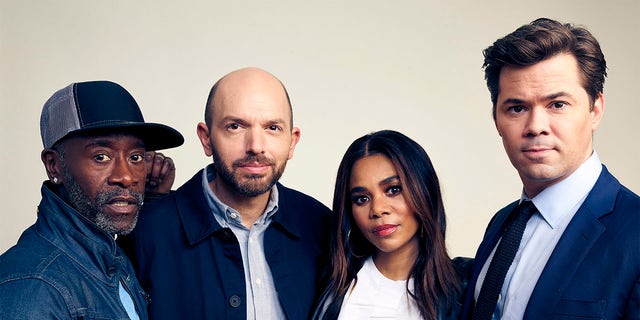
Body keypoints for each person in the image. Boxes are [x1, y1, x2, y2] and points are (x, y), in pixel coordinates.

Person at [461, 18, 640, 320]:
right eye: (517, 108)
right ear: (496, 120)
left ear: (595, 109)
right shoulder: (502, 224)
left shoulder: (634, 231)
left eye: (557, 104)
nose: (536, 127)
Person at [123, 67, 331, 320]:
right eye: (235, 126)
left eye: (272, 128)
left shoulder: (322, 226)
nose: (255, 145)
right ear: (206, 138)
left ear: (292, 140)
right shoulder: (145, 230)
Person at [0, 80, 184, 319]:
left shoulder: (110, 256)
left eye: (136, 157)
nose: (126, 177)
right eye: (101, 157)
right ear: (53, 165)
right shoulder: (34, 288)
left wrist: (155, 201)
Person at [313, 130, 472, 320]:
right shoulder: (327, 280)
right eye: (362, 199)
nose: (378, 209)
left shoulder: (467, 285)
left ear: (424, 191)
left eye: (393, 190)